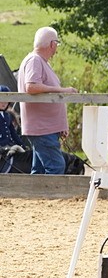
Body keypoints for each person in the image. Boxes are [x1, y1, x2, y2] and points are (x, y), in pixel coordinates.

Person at [16, 26, 77, 174]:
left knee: (40, 170)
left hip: (45, 128)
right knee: (56, 166)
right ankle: (52, 197)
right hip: (42, 128)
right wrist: (63, 90)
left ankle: (36, 197)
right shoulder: (35, 60)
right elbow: (31, 86)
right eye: (56, 43)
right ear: (52, 44)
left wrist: (61, 125)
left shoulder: (38, 61)